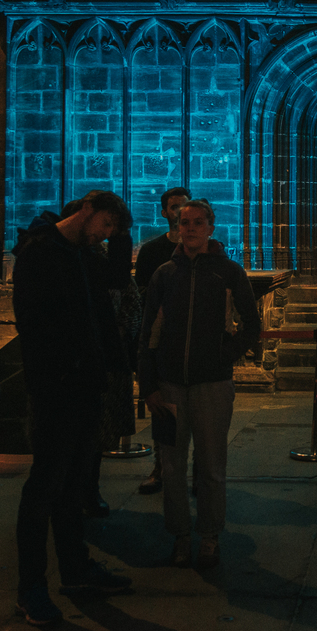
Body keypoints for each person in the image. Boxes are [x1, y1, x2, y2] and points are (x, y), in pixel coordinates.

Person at [11, 189, 136, 625]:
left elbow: (113, 287)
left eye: (111, 232)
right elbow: (35, 324)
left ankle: (76, 568)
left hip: (85, 384)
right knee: (43, 488)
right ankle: (30, 588)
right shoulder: (40, 252)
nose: (104, 235)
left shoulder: (85, 253)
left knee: (72, 485)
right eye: (105, 226)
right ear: (87, 210)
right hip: (54, 387)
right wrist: (61, 372)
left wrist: (112, 366)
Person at [139, 199, 261, 571]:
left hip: (212, 384)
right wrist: (149, 384)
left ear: (210, 227)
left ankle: (209, 536)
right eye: (183, 222)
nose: (188, 228)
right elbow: (147, 333)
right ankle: (179, 536)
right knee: (172, 465)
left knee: (210, 464)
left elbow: (251, 324)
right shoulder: (164, 274)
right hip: (170, 384)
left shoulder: (227, 272)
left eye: (196, 222)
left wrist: (226, 354)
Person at [133, 186, 190, 496]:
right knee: (164, 411)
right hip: (161, 342)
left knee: (195, 414)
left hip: (193, 343)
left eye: (183, 206)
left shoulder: (205, 250)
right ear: (164, 212)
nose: (179, 212)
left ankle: (194, 471)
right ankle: (161, 467)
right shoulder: (152, 251)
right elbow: (142, 296)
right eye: (173, 207)